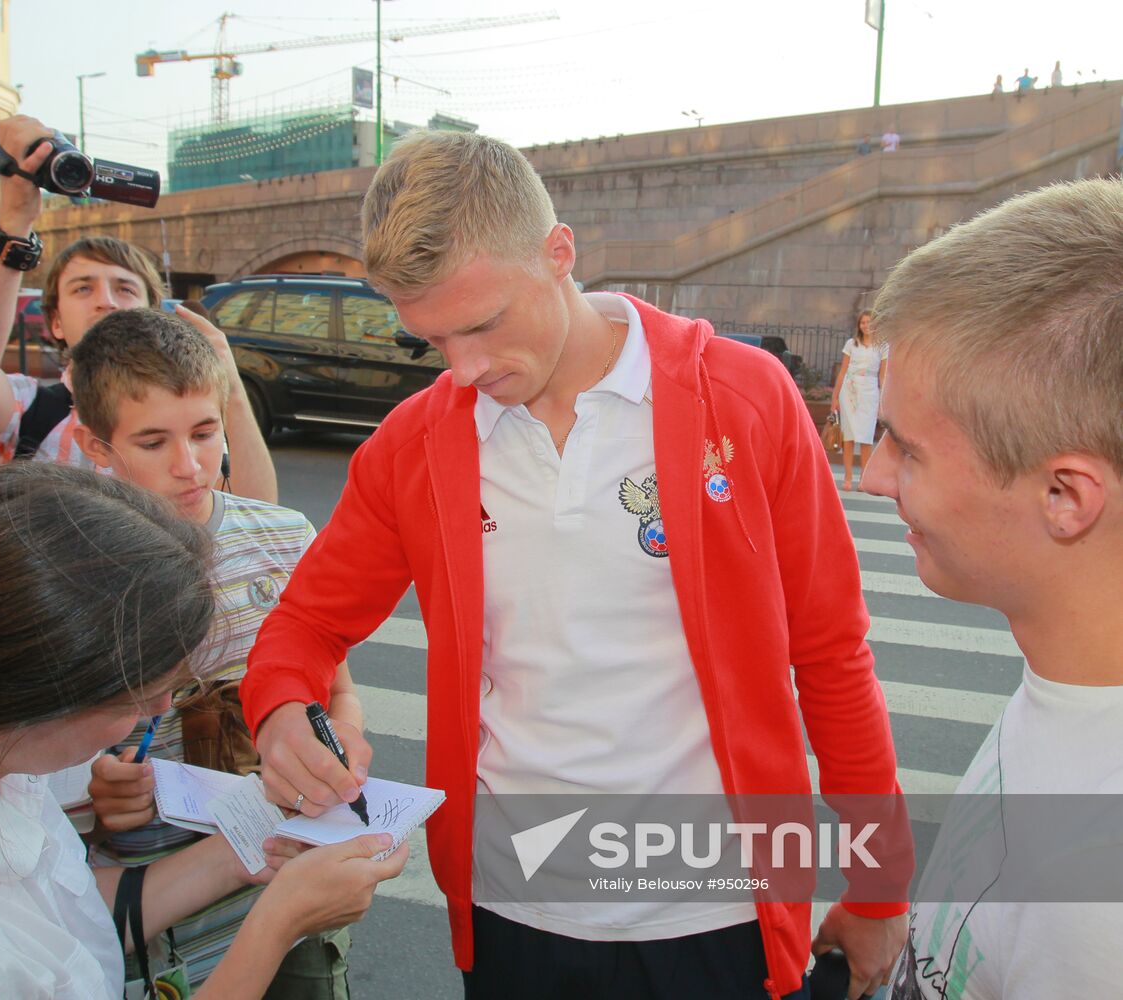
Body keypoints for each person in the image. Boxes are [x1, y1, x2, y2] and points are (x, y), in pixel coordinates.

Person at [240, 130, 909, 1000]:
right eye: (432, 341)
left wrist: (879, 884)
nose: (466, 368)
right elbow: (306, 623)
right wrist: (282, 712)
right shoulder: (414, 443)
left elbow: (829, 652)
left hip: (715, 910)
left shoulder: (741, 400)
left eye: (483, 324)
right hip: (515, 909)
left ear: (560, 254)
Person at [0, 462, 406, 998]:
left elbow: (67, 914)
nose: (164, 705)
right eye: (147, 692)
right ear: (38, 695)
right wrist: (279, 922)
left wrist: (245, 850)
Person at [862, 178, 1123, 999]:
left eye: (906, 450)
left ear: (1064, 498)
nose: (871, 477)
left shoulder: (1097, 902)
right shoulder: (1069, 685)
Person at [67, 308, 364, 995]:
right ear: (94, 444)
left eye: (204, 433)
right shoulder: (68, 568)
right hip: (159, 928)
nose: (188, 465)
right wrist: (99, 789)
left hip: (293, 894)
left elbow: (337, 687)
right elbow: (38, 779)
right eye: (151, 441)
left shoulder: (284, 535)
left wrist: (340, 736)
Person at [0, 114, 277, 503]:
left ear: (150, 312)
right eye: (82, 288)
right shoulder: (32, 411)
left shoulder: (188, 417)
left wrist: (232, 390)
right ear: (55, 322)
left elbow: (257, 514)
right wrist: (14, 218)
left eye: (124, 288)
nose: (105, 300)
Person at [830, 310, 888, 491]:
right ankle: (848, 477)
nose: (866, 325)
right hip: (850, 391)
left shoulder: (882, 346)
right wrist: (835, 398)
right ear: (859, 325)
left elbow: (883, 376)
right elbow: (843, 371)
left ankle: (864, 477)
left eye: (869, 322)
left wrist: (882, 401)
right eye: (863, 322)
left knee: (866, 437)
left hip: (870, 393)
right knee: (849, 437)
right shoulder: (851, 344)